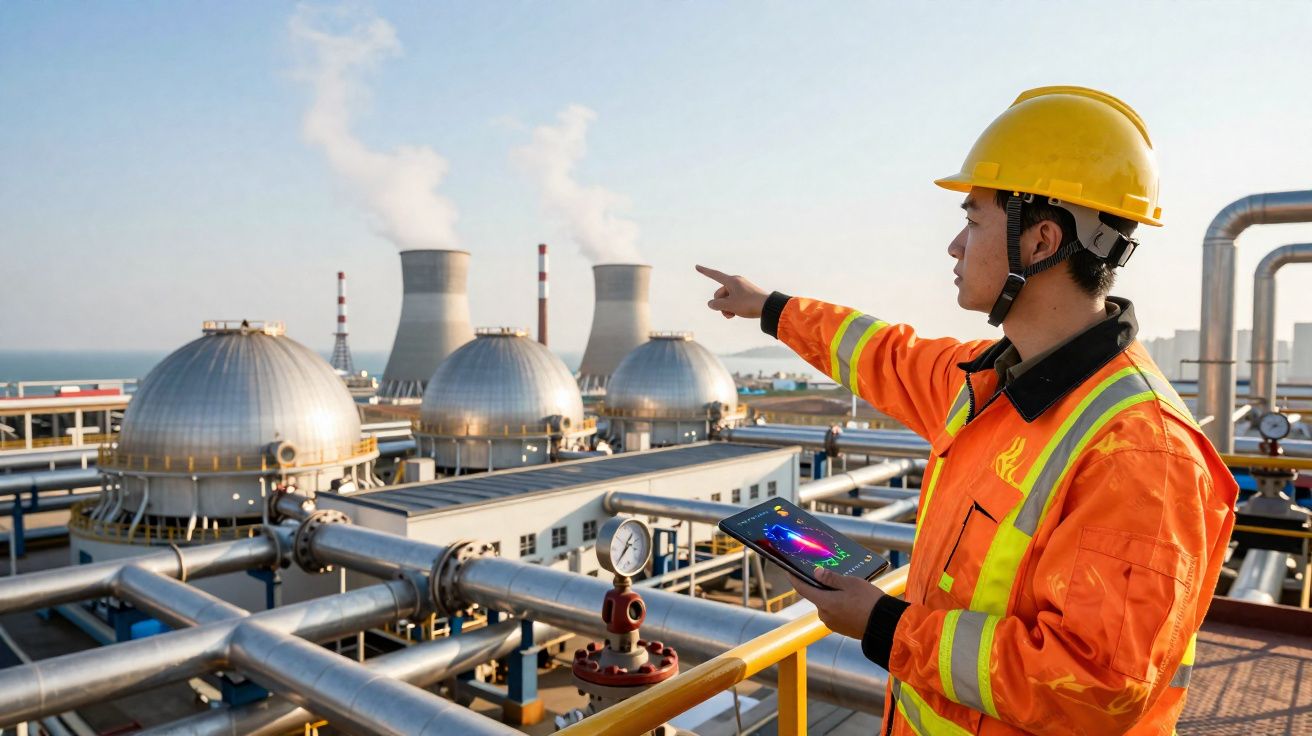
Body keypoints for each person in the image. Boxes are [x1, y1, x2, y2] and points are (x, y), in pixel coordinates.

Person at [696, 86, 1237, 735]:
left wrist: (883, 624)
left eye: (974, 218)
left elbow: (1098, 686)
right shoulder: (987, 379)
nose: (955, 245)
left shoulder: (1142, 451)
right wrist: (772, 308)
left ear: (1040, 240)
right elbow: (881, 353)